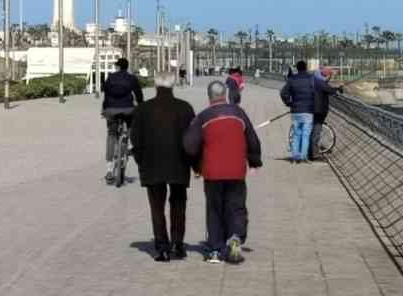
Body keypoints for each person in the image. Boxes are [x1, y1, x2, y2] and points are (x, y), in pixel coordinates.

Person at [184, 81, 262, 265]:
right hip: (236, 171)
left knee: (214, 209)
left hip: (212, 172)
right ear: (225, 93)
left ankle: (215, 250)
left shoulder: (203, 117)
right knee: (236, 207)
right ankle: (235, 236)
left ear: (209, 96)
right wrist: (254, 161)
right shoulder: (239, 113)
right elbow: (252, 139)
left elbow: (190, 146)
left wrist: (196, 167)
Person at [131, 71, 195, 262]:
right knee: (179, 204)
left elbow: (136, 139)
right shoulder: (185, 108)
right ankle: (177, 244)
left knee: (157, 207)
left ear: (155, 85)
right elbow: (193, 138)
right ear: (173, 84)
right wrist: (194, 163)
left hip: (152, 164)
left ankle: (162, 247)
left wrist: (141, 161)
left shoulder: (143, 109)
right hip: (179, 163)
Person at [102, 57, 145, 184]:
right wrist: (141, 106)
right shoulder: (132, 78)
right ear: (127, 67)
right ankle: (131, 144)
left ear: (118, 67)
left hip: (111, 110)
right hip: (127, 109)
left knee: (111, 134)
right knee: (132, 124)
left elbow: (106, 94)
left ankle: (109, 169)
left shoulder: (110, 77)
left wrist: (105, 109)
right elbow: (139, 95)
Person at [279, 60, 315, 163]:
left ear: (297, 68)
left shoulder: (292, 79)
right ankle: (303, 156)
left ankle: (295, 157)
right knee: (306, 135)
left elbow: (283, 93)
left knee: (296, 134)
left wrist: (289, 103)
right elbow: (315, 92)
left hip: (296, 110)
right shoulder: (311, 79)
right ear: (306, 68)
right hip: (308, 110)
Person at [310, 67, 340, 161]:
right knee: (316, 132)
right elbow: (330, 90)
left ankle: (311, 151)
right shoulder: (320, 83)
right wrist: (338, 89)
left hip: (313, 109)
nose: (329, 78)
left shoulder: (315, 80)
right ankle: (314, 155)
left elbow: (326, 86)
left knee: (313, 131)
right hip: (318, 111)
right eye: (328, 76)